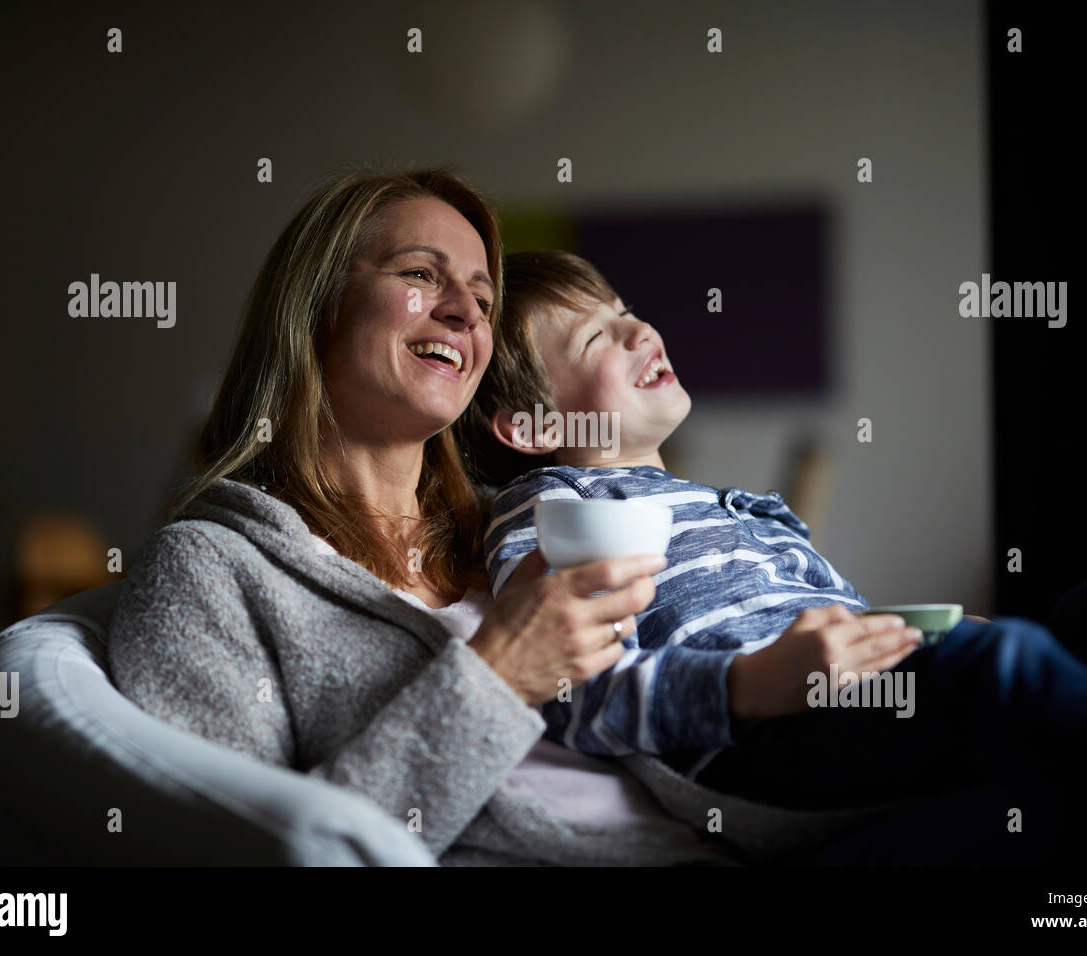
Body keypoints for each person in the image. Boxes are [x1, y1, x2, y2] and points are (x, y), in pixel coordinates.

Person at [108, 167, 965, 868]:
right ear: (317, 306)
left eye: (480, 295)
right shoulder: (207, 572)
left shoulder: (535, 523)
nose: (464, 310)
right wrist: (498, 675)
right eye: (419, 275)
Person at [458, 249, 1087, 864]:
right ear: (527, 428)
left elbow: (838, 620)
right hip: (755, 741)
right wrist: (744, 684)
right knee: (1006, 666)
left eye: (624, 312)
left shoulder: (725, 506)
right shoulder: (552, 507)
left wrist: (918, 638)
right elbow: (570, 690)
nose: (638, 330)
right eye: (596, 337)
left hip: (845, 691)